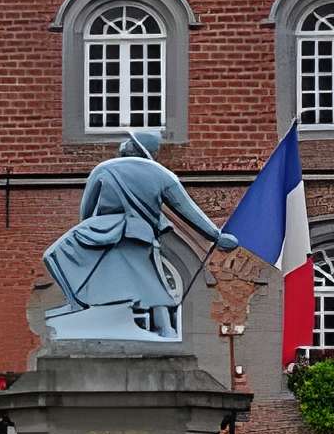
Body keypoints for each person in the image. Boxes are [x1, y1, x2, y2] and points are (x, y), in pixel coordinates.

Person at [39, 130, 240, 338]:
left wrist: (89, 236)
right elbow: (188, 211)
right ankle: (158, 325)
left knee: (54, 255)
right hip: (139, 232)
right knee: (146, 278)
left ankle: (82, 304)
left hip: (102, 229)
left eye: (129, 141)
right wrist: (215, 236)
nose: (124, 143)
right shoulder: (163, 175)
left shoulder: (104, 169)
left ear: (135, 148)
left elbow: (86, 210)